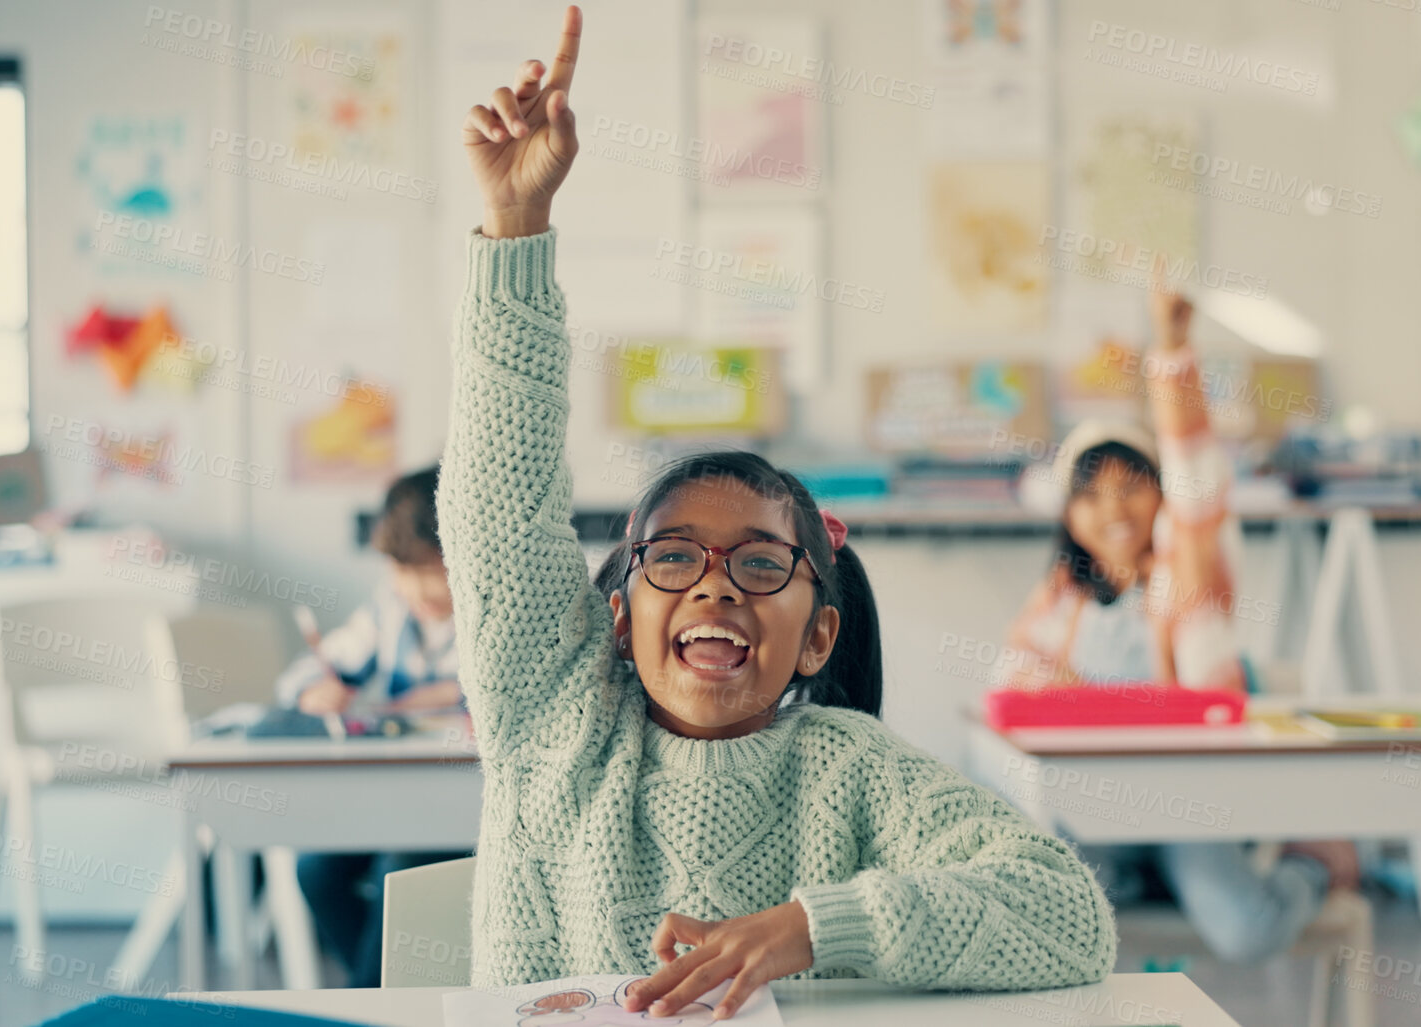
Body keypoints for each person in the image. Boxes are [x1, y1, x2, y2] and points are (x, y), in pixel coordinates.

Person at [443, 9, 1115, 1020]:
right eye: (672, 558)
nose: (714, 580)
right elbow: (500, 502)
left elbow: (1070, 918)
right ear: (620, 614)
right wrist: (515, 229)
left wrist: (812, 926)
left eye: (760, 565)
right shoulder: (551, 719)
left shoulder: (854, 769)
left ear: (818, 636)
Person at [997, 276, 1360, 966]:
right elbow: (1013, 687)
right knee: (1052, 908)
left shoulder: (1189, 570)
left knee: (1244, 929)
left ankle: (1312, 863)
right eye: (1090, 492)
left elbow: (1196, 471)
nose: (1113, 508)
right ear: (1067, 515)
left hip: (1186, 805)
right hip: (1096, 812)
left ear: (1161, 494)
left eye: (1132, 484)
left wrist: (1170, 350)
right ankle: (1139, 877)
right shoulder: (1059, 599)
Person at [278, 464, 469, 987]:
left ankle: (370, 1005)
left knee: (398, 872)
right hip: (391, 798)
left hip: (466, 805)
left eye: (432, 568)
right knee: (315, 870)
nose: (415, 586)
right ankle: (377, 997)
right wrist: (319, 691)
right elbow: (302, 676)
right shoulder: (389, 613)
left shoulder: (496, 616)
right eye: (399, 569)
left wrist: (453, 693)